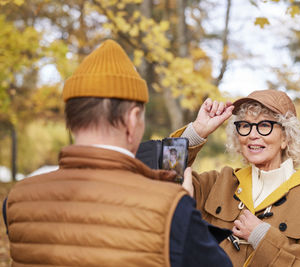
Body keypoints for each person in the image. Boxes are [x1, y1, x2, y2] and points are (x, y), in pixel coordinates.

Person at [2, 40, 232, 267]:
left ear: (72, 121)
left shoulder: (18, 199)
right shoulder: (170, 208)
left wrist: (195, 133)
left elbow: (129, 163)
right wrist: (186, 214)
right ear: (132, 120)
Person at [171, 90, 300, 266]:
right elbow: (161, 179)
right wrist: (196, 131)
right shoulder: (219, 183)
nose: (252, 134)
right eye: (245, 125)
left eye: (265, 125)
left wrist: (262, 237)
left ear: (286, 138)